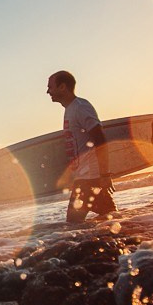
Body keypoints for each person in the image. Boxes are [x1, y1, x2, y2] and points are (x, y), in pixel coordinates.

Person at [46, 70, 115, 222]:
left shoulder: (80, 107)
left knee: (72, 226)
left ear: (62, 87)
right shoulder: (70, 110)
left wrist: (105, 175)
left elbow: (100, 138)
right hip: (85, 178)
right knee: (109, 218)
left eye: (50, 87)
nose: (47, 91)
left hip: (89, 179)